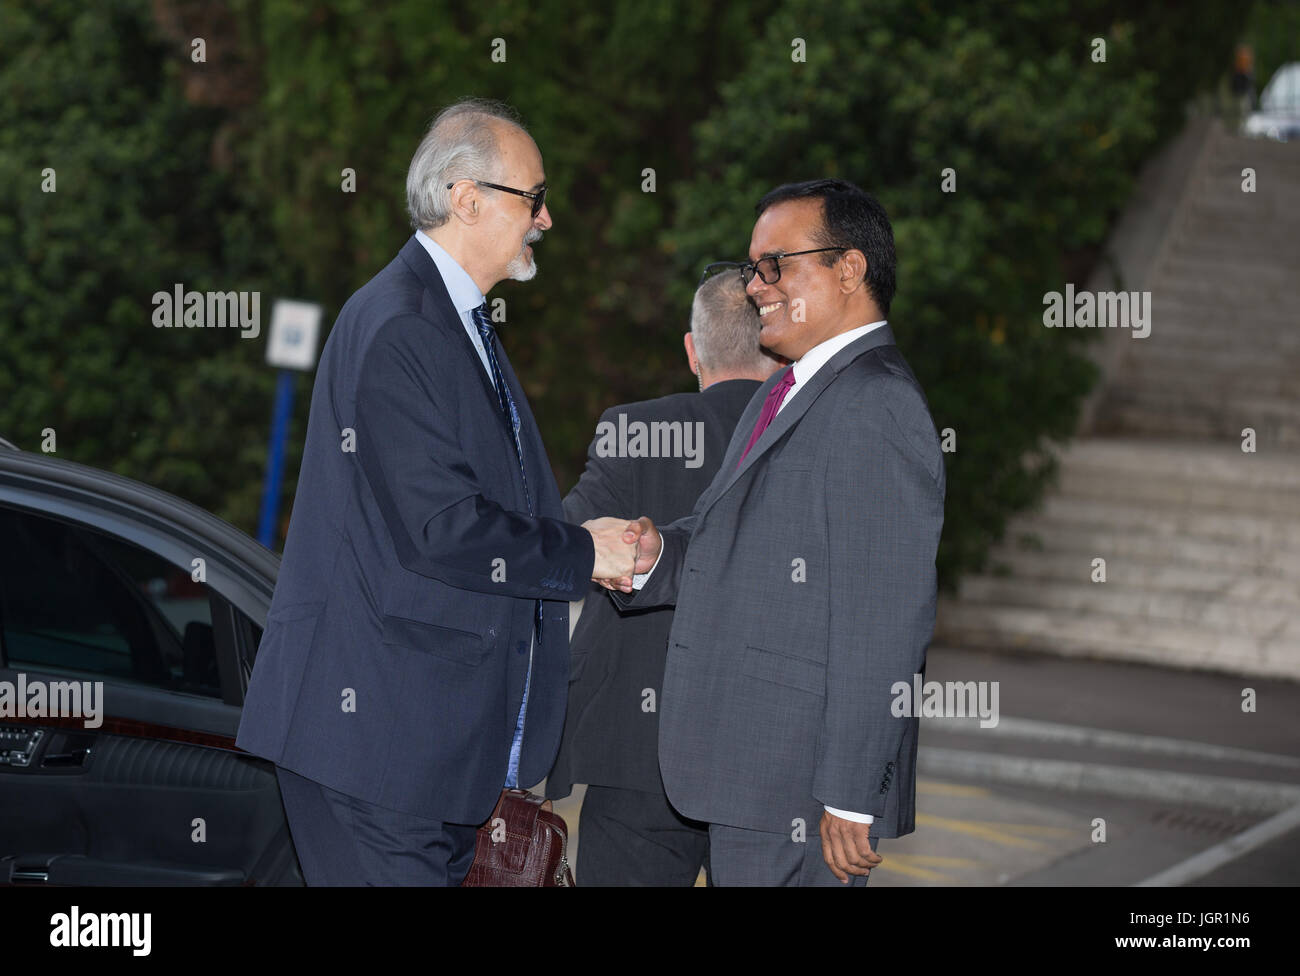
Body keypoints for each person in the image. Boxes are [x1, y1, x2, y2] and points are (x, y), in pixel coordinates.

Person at [235, 98, 637, 885]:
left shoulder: (451, 322)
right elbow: (446, 528)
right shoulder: (403, 324)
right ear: (466, 197)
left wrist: (589, 538)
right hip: (376, 750)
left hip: (423, 758)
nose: (546, 219)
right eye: (534, 196)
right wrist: (587, 551)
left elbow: (499, 511)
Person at [604, 179, 946, 886]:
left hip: (799, 790)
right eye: (752, 267)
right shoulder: (787, 388)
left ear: (849, 270)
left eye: (776, 266)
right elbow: (723, 534)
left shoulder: (876, 403)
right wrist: (654, 553)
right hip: (751, 775)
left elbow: (885, 621)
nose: (756, 287)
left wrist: (851, 794)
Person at [547, 270, 783, 885]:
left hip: (636, 755)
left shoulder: (635, 430)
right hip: (770, 765)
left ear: (692, 349)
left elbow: (562, 550)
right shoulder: (811, 439)